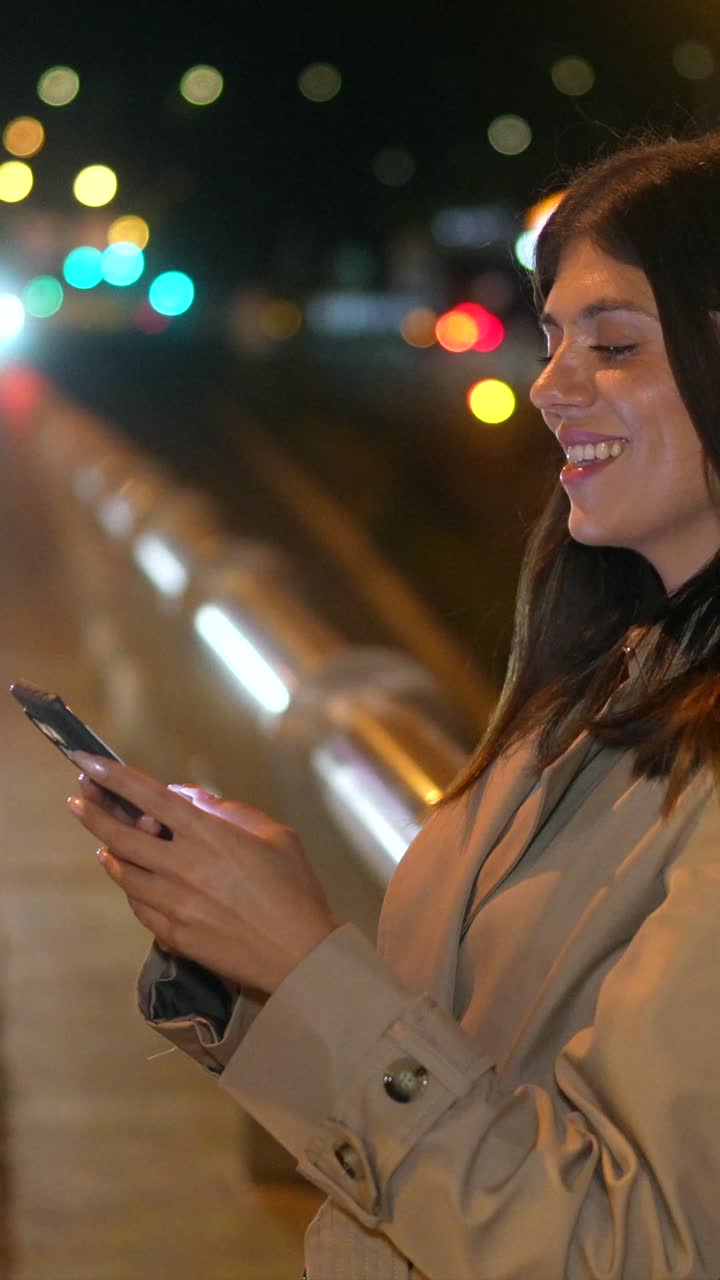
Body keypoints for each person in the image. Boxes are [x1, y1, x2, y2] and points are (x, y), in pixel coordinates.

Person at [68, 127, 720, 1279]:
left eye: (615, 344)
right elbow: (477, 1061)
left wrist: (305, 960)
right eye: (554, 339)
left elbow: (631, 1249)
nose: (550, 386)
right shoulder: (603, 680)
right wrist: (254, 963)